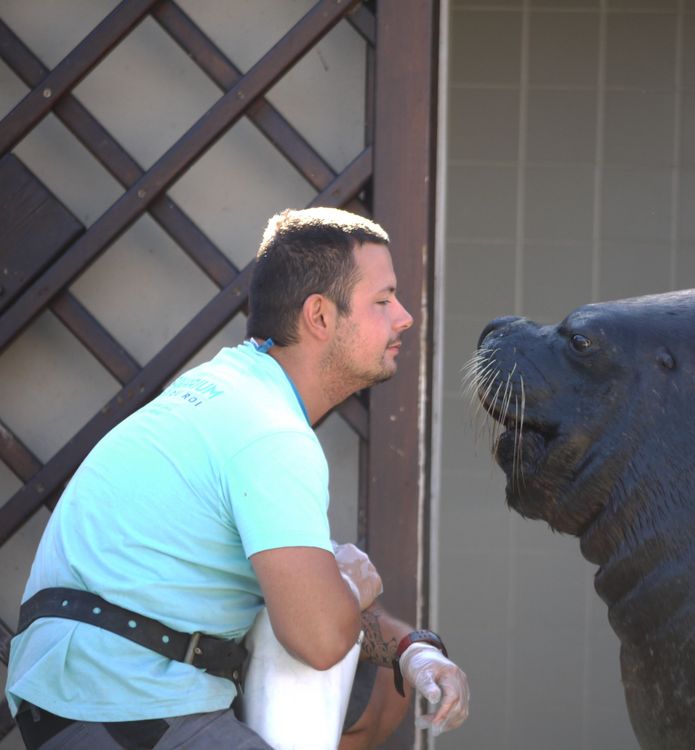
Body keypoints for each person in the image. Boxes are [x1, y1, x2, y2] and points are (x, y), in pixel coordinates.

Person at [4, 207, 470, 749]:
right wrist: (346, 587)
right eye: (383, 301)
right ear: (319, 316)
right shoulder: (271, 431)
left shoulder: (231, 389)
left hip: (80, 693)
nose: (405, 317)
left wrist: (415, 649)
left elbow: (314, 597)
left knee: (376, 688)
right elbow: (319, 638)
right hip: (122, 702)